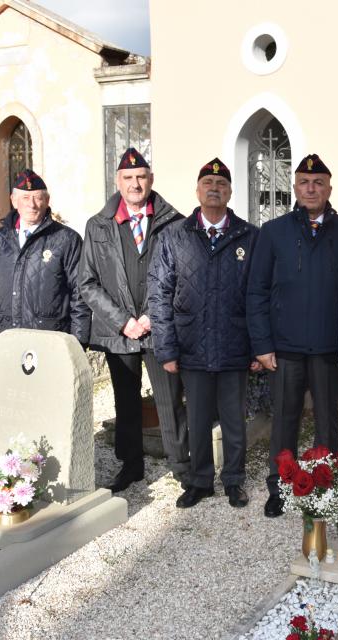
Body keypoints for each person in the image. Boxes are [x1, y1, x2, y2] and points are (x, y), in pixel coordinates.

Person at [148, 158, 260, 509]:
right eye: (208, 184)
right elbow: (159, 292)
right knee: (196, 418)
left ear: (230, 191)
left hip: (234, 345)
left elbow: (260, 295)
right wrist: (165, 349)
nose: (214, 189)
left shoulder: (248, 236)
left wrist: (260, 347)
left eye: (221, 185)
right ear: (197, 191)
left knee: (234, 419)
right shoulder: (174, 236)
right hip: (191, 344)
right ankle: (199, 481)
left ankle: (234, 480)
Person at [247, 153, 338, 518]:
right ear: (295, 188)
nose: (311, 188)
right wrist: (261, 345)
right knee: (284, 421)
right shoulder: (274, 232)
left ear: (329, 188)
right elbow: (256, 290)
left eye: (318, 182)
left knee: (327, 421)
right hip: (284, 349)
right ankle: (279, 486)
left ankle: (328, 487)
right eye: (304, 182)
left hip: (327, 348)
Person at [79, 148, 188, 493]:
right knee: (125, 401)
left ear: (151, 180)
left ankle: (181, 467)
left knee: (169, 400)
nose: (135, 183)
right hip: (119, 331)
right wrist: (124, 321)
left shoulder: (175, 222)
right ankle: (131, 465)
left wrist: (152, 318)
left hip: (161, 328)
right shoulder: (98, 225)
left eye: (141, 177)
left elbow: (184, 276)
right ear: (118, 182)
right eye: (128, 178)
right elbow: (88, 282)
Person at [0, 169, 89, 354]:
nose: (32, 204)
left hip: (50, 343)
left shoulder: (66, 239)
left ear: (47, 201)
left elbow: (80, 296)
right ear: (14, 201)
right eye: (25, 198)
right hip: (6, 341)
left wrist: (77, 345)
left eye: (38, 198)